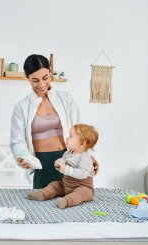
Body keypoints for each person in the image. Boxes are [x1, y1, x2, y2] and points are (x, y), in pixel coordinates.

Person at [10, 54, 98, 189]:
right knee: (41, 204)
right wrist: (21, 157)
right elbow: (17, 140)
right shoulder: (21, 106)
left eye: (45, 78)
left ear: (50, 73)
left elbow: (82, 133)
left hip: (69, 160)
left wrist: (88, 157)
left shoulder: (66, 99)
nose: (41, 84)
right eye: (35, 80)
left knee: (72, 201)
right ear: (27, 78)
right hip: (41, 163)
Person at [27, 124, 99, 209]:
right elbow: (63, 165)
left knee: (79, 194)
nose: (67, 138)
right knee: (55, 185)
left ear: (82, 143)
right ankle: (43, 194)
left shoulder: (85, 157)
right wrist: (58, 164)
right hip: (66, 185)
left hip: (83, 187)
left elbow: (84, 173)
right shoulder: (67, 153)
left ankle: (66, 201)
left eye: (71, 136)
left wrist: (67, 170)